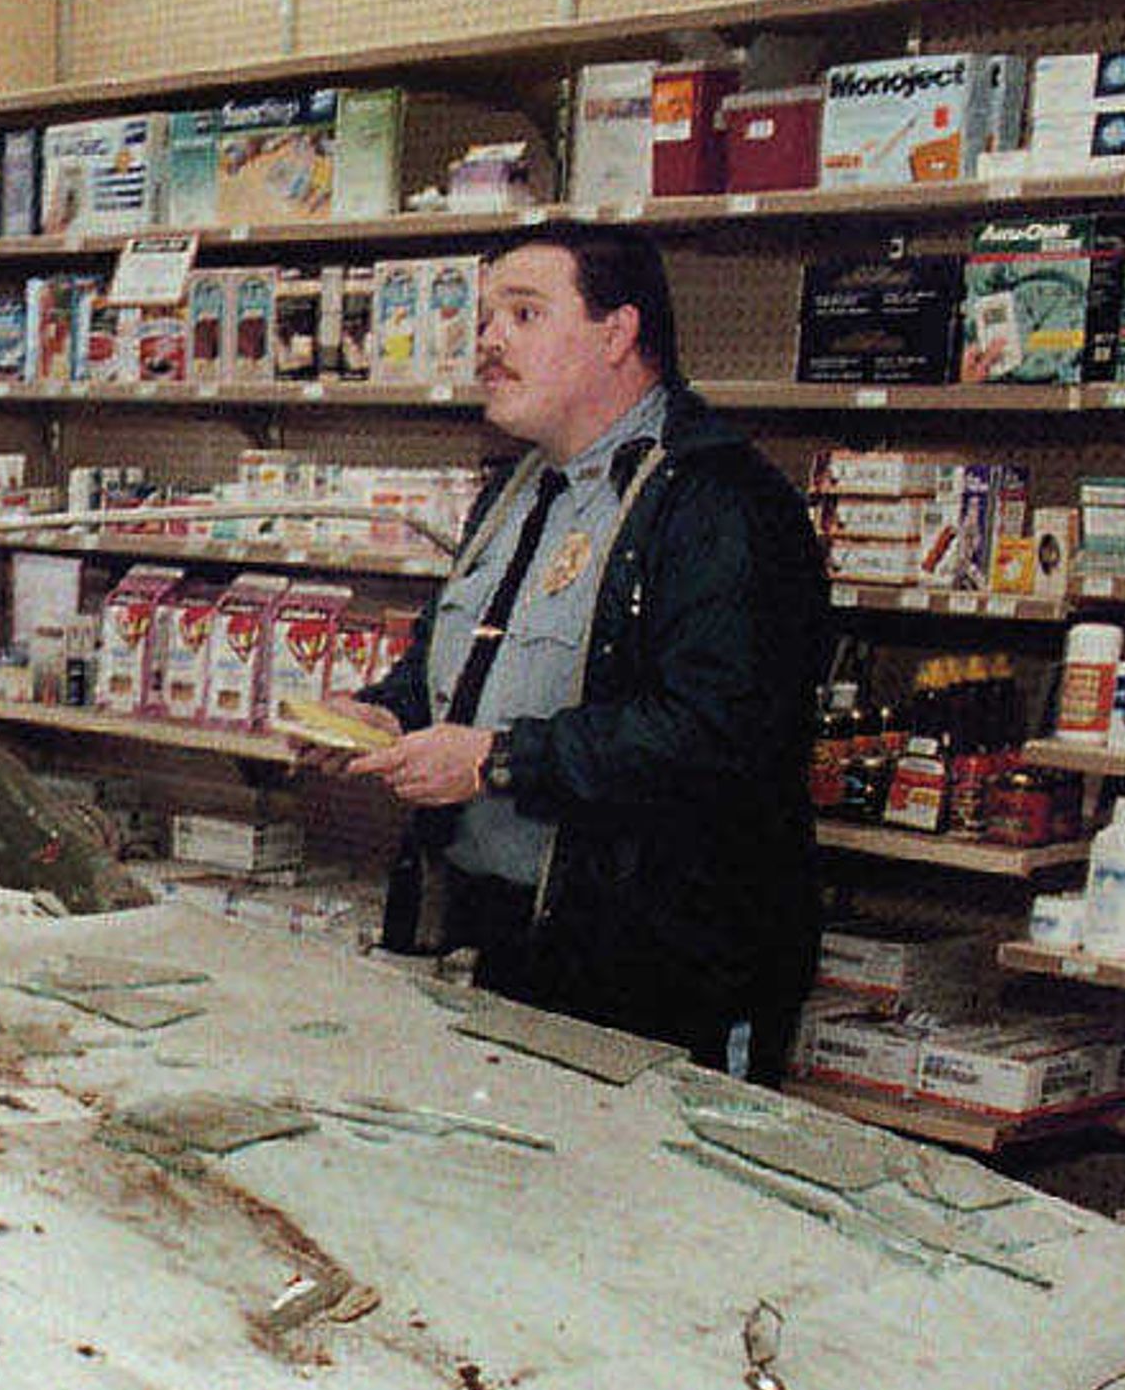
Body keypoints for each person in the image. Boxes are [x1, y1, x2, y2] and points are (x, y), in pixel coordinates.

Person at [333, 223, 829, 1080]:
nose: (488, 341)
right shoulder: (518, 488)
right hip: (499, 948)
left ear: (618, 333)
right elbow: (455, 659)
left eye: (524, 314)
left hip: (656, 981)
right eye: (486, 317)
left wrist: (496, 760)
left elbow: (717, 736)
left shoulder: (720, 505)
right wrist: (386, 713)